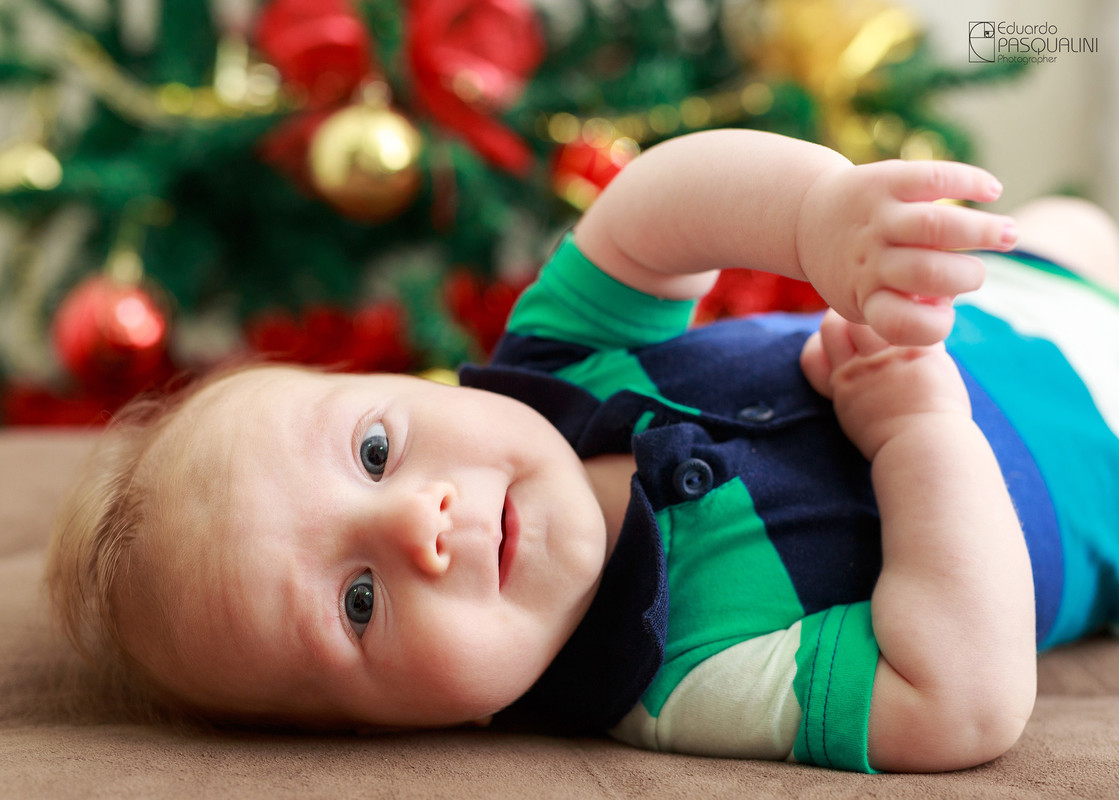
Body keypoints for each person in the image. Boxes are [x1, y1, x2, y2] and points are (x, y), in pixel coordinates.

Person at [46, 129, 1119, 773]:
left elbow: (653, 211)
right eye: (358, 601)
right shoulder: (674, 676)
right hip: (1102, 471)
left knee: (1067, 223)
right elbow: (959, 696)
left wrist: (815, 213)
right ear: (409, 724)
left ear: (400, 385)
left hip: (1012, 305)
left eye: (374, 451)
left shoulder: (555, 368)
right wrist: (921, 434)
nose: (422, 521)